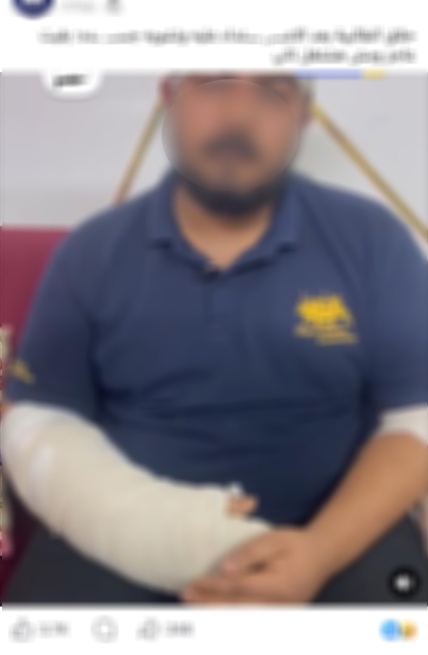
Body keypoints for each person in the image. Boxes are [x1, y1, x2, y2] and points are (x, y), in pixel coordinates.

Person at [1, 74, 427, 604]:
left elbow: (415, 416)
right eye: (212, 84)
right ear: (168, 100)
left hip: (337, 534)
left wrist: (318, 553)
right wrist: (169, 536)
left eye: (271, 91)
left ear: (302, 117)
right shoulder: (91, 252)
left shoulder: (374, 241)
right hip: (125, 534)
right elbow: (41, 420)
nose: (238, 114)